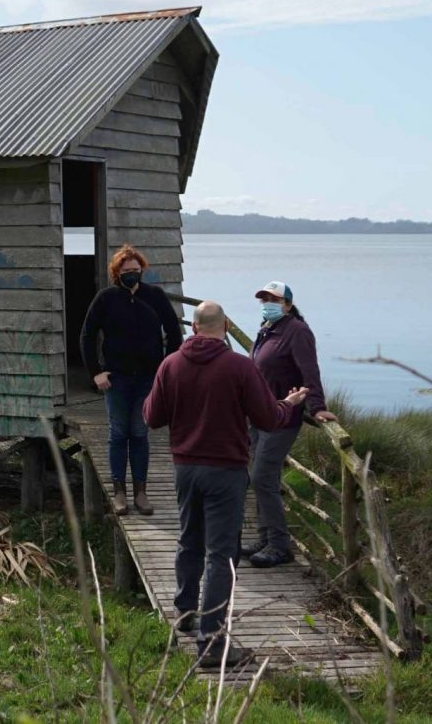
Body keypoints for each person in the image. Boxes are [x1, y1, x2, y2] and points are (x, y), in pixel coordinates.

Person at [144, 300, 308, 667]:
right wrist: (289, 403)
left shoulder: (170, 365)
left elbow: (152, 417)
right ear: (225, 327)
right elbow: (268, 419)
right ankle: (213, 644)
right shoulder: (240, 367)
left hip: (186, 468)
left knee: (189, 540)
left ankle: (186, 614)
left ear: (193, 328)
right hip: (226, 472)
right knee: (221, 555)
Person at [79, 244, 184, 515]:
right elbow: (87, 336)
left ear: (142, 271)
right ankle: (119, 494)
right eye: (126, 271)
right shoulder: (106, 298)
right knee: (117, 433)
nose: (132, 275)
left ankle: (141, 492)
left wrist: (166, 369)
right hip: (116, 378)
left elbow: (174, 334)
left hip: (148, 378)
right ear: (117, 272)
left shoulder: (155, 296)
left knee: (139, 433)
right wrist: (95, 372)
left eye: (136, 271)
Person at [243, 279, 336, 568]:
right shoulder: (267, 329)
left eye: (273, 299)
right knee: (258, 477)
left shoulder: (297, 331)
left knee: (262, 478)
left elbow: (310, 372)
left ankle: (279, 546)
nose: (267, 303)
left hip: (282, 419)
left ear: (287, 304)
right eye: (263, 299)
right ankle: (264, 537)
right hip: (260, 416)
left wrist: (317, 407)